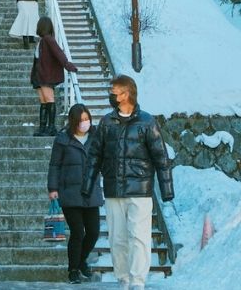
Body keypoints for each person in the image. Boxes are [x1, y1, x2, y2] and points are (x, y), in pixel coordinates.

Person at [82, 75, 173, 290]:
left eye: (113, 92)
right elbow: (94, 155)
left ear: (126, 94)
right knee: (117, 239)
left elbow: (161, 157)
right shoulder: (106, 122)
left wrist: (167, 189)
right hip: (114, 190)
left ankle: (138, 282)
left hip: (140, 191)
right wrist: (87, 185)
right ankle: (123, 279)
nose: (110, 95)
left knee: (139, 237)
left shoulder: (147, 122)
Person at [48, 104, 103, 283]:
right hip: (70, 193)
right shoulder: (63, 139)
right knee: (78, 232)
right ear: (74, 122)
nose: (85, 123)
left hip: (91, 192)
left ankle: (81, 262)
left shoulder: (96, 137)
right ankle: (73, 269)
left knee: (94, 232)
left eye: (87, 119)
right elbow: (54, 165)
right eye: (81, 120)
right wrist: (53, 188)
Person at [32, 15, 78, 136]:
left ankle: (50, 128)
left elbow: (59, 53)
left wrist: (67, 65)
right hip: (39, 76)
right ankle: (44, 128)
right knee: (44, 101)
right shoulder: (43, 40)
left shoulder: (47, 40)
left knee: (48, 100)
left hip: (44, 75)